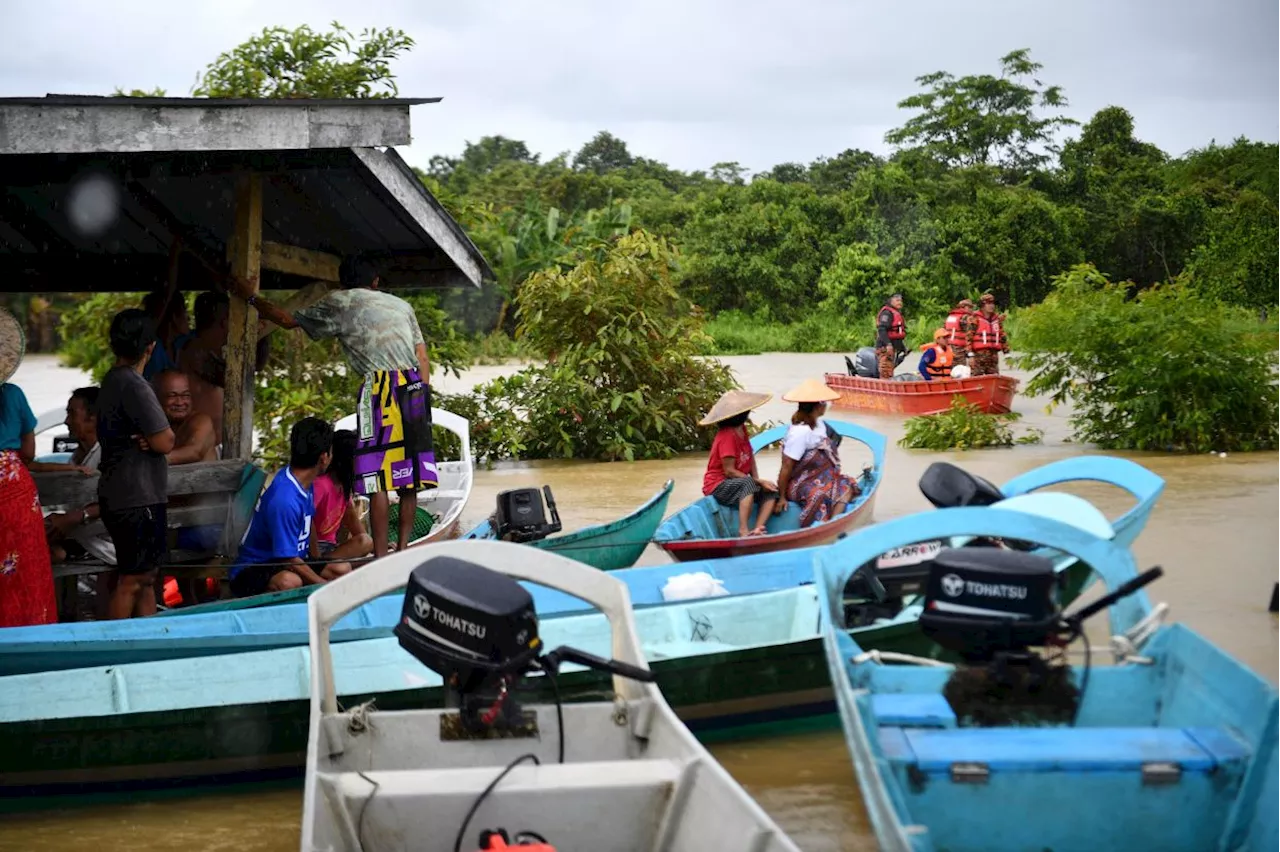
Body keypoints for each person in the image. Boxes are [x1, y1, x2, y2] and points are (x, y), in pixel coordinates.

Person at [236, 256, 437, 558]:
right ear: (375, 282)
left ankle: (382, 556)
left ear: (344, 283)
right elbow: (422, 358)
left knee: (377, 478)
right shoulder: (401, 306)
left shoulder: (340, 302)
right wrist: (419, 395)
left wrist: (250, 297)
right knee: (408, 478)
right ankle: (404, 550)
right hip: (414, 388)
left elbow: (289, 320)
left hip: (379, 388)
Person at [97, 308, 176, 620]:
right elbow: (165, 441)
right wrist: (154, 438)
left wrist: (152, 437)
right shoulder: (134, 384)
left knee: (146, 577)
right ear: (150, 347)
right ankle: (115, 646)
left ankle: (148, 639)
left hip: (122, 493)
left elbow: (155, 438)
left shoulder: (112, 381)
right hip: (136, 496)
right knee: (133, 578)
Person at [229, 417, 350, 598]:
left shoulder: (304, 483)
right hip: (254, 569)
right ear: (324, 458)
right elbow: (287, 558)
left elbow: (308, 528)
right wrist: (323, 587)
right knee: (290, 582)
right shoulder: (285, 499)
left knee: (342, 568)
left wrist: (318, 565)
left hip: (289, 562)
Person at [0, 308, 58, 627]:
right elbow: (29, 452)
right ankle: (31, 631)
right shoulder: (14, 394)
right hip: (15, 486)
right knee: (27, 568)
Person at [178, 290, 270, 445]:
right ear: (225, 320)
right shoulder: (194, 349)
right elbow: (232, 380)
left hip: (217, 445)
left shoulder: (218, 349)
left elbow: (258, 365)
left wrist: (263, 333)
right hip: (199, 445)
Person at [43, 387, 116, 566]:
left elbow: (123, 499)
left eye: (71, 414)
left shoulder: (111, 454)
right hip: (83, 535)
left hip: (104, 544)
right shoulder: (77, 457)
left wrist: (74, 517)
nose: (66, 421)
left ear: (93, 418)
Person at [774, 379, 861, 529]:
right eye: (823, 402)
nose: (826, 405)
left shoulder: (820, 425)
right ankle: (816, 527)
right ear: (817, 406)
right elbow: (787, 466)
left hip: (822, 478)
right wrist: (781, 497)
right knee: (818, 495)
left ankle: (834, 523)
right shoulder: (800, 432)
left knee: (848, 484)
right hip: (799, 483)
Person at [699, 390, 779, 538]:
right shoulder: (727, 435)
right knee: (748, 484)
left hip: (738, 482)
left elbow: (750, 456)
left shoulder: (742, 429)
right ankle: (743, 530)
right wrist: (757, 482)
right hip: (718, 484)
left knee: (772, 490)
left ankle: (757, 528)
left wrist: (759, 480)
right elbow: (729, 471)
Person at [311, 429, 374, 573]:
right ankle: (317, 568)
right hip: (313, 550)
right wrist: (316, 558)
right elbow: (307, 521)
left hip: (331, 551)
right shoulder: (322, 484)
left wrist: (380, 547)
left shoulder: (343, 490)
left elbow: (359, 533)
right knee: (346, 567)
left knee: (367, 545)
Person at [152, 370, 217, 464]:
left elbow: (195, 452)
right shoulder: (156, 422)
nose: (180, 402)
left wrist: (154, 461)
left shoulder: (201, 421)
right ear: (157, 398)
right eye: (172, 396)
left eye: (185, 395)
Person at [140, 289, 192, 382]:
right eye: (185, 311)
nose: (188, 317)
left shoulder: (179, 343)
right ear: (175, 317)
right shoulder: (154, 352)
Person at [970, 294, 1009, 377]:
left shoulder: (997, 319)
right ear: (982, 305)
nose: (991, 306)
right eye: (988, 303)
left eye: (992, 303)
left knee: (994, 376)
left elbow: (1002, 335)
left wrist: (1007, 353)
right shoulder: (975, 318)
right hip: (979, 355)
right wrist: (970, 355)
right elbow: (968, 337)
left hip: (993, 355)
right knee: (977, 377)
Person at [874, 294, 907, 379]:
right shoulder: (887, 313)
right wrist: (888, 344)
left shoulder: (896, 313)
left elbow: (897, 334)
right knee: (886, 371)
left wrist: (902, 347)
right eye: (897, 300)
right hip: (885, 348)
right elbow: (882, 330)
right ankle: (884, 388)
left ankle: (888, 385)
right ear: (891, 301)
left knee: (890, 371)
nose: (899, 302)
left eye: (900, 301)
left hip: (893, 347)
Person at [945, 299, 976, 369]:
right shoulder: (965, 317)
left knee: (951, 367)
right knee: (960, 369)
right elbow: (972, 332)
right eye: (970, 307)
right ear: (965, 307)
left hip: (949, 347)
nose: (972, 310)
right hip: (959, 349)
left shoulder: (950, 316)